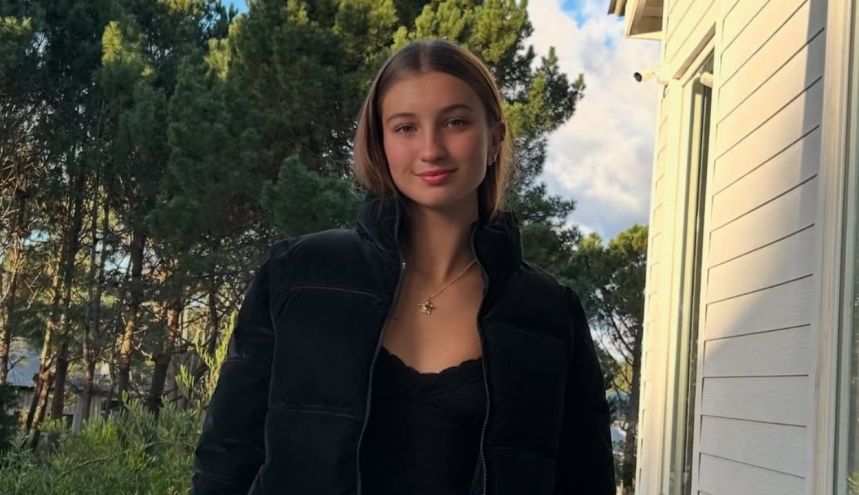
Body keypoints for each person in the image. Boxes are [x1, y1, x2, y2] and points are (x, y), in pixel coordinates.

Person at [191, 39, 615, 495]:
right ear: (380, 143)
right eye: (406, 127)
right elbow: (226, 460)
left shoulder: (550, 311)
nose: (431, 149)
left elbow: (585, 480)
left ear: (494, 138)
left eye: (455, 122)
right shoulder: (296, 275)